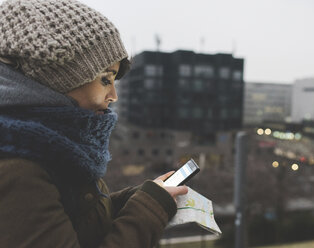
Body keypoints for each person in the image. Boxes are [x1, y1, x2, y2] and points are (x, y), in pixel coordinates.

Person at [0, 0, 188, 247]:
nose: (114, 96)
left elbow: (73, 214)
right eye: (104, 79)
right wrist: (148, 210)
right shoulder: (18, 170)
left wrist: (140, 198)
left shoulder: (52, 144)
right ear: (57, 78)